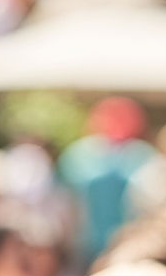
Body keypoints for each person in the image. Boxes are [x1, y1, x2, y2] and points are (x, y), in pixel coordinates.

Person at [57, 96, 153, 263]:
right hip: (85, 245)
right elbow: (65, 200)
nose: (117, 122)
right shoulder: (79, 154)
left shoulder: (144, 156)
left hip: (129, 245)